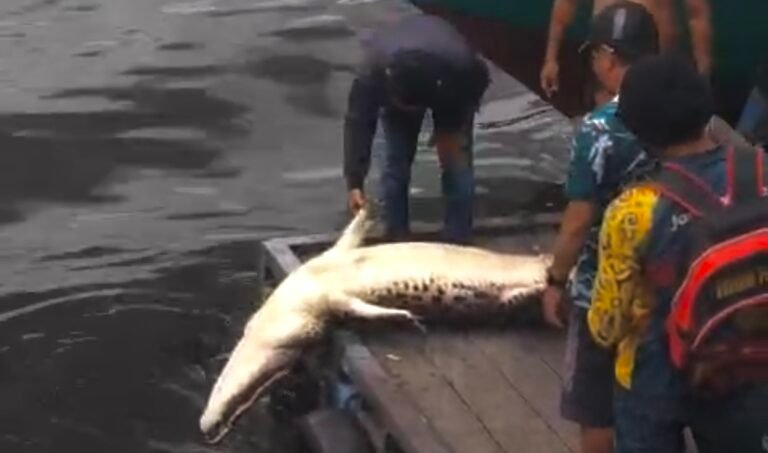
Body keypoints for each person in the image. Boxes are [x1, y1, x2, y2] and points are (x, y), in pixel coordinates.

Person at [587, 53, 768, 452]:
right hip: (747, 364)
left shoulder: (634, 210)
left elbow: (606, 326)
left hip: (656, 379)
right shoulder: (761, 171)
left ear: (638, 128)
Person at [540, 3, 659, 453]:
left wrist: (555, 280)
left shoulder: (600, 129)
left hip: (603, 292)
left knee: (596, 412)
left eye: (594, 57)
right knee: (652, 402)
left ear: (609, 57)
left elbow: (577, 222)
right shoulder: (688, 116)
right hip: (667, 284)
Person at [342, 14, 490, 244]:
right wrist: (354, 182)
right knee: (395, 165)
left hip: (449, 86)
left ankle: (458, 240)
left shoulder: (460, 64)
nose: (412, 112)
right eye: (406, 106)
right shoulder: (372, 73)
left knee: (456, 164)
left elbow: (479, 82)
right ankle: (397, 237)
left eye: (414, 107)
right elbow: (358, 123)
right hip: (406, 79)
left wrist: (449, 128)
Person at [541, 0, 712, 108]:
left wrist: (703, 73)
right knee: (606, 128)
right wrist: (551, 59)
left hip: (657, 63)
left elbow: (696, 13)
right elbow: (566, 4)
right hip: (604, 64)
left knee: (658, 132)